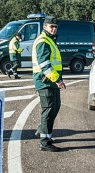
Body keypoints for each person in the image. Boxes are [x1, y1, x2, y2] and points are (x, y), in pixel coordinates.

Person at [32, 16, 66, 152]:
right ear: (45, 27)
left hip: (51, 81)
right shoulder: (43, 41)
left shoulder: (50, 40)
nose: (54, 29)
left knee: (55, 107)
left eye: (55, 27)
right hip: (45, 81)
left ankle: (42, 130)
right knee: (48, 111)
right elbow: (45, 64)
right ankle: (44, 142)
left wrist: (57, 79)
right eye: (51, 26)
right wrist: (57, 80)